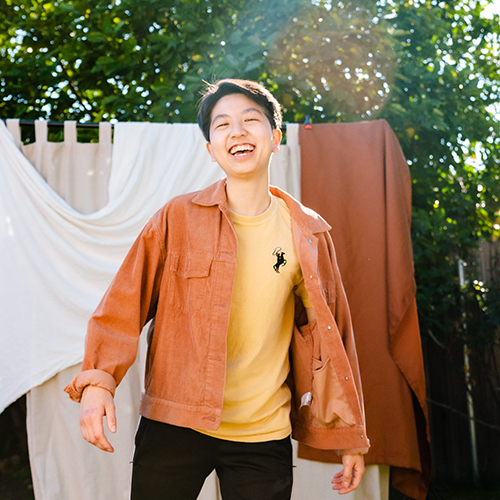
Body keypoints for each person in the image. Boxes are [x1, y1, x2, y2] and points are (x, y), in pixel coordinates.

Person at [65, 78, 370, 500]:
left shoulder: (308, 233)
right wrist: (98, 382)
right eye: (222, 125)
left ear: (275, 138)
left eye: (251, 120)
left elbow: (334, 336)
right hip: (175, 422)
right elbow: (123, 303)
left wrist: (350, 433)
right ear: (211, 148)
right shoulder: (177, 217)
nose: (238, 132)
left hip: (264, 434)